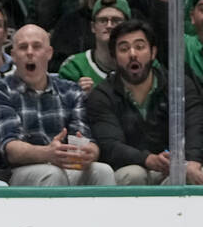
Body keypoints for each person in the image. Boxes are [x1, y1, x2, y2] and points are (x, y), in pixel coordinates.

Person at [0, 24, 116, 186]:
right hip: (16, 171)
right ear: (13, 56)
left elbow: (83, 137)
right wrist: (48, 153)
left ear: (49, 53)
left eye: (37, 47)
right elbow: (11, 150)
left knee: (102, 171)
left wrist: (90, 151)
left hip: (63, 163)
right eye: (23, 48)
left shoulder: (70, 90)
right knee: (52, 174)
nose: (30, 52)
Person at [86, 19, 203, 185]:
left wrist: (193, 161)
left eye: (140, 47)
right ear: (114, 57)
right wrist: (147, 159)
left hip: (176, 165)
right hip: (132, 165)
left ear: (153, 52)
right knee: (133, 174)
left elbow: (195, 126)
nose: (133, 54)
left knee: (192, 173)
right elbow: (110, 145)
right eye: (124, 49)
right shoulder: (102, 95)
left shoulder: (179, 85)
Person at [57, 0, 129, 94]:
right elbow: (63, 106)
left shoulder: (144, 63)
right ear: (93, 27)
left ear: (128, 26)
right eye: (103, 20)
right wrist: (79, 97)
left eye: (116, 20)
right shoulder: (74, 67)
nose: (109, 25)